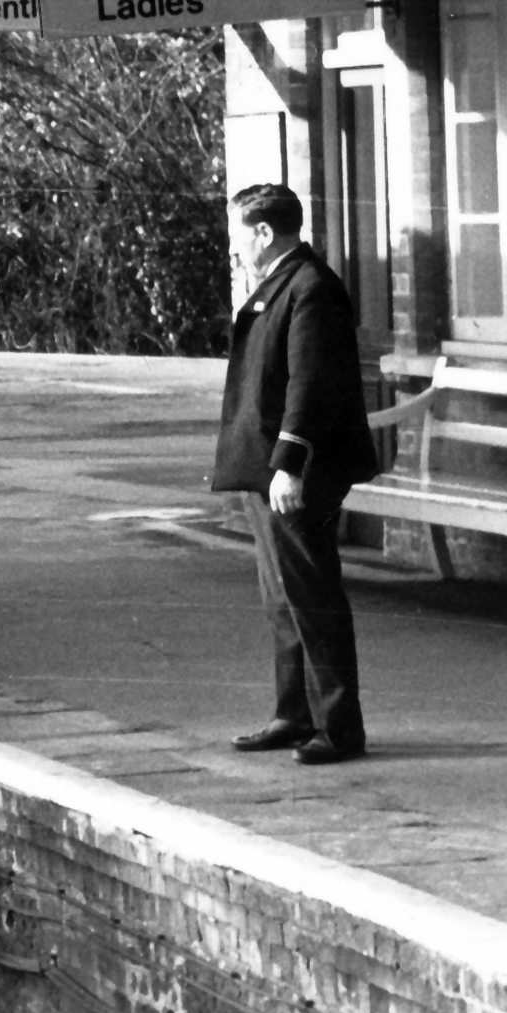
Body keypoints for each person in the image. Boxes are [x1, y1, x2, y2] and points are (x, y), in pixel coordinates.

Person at [210, 183, 381, 765]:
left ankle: (339, 728)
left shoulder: (311, 288)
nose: (232, 249)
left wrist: (290, 465)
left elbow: (310, 386)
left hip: (296, 473)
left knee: (311, 595)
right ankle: (294, 713)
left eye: (237, 235)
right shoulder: (280, 283)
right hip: (268, 468)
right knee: (280, 597)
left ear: (263, 233)